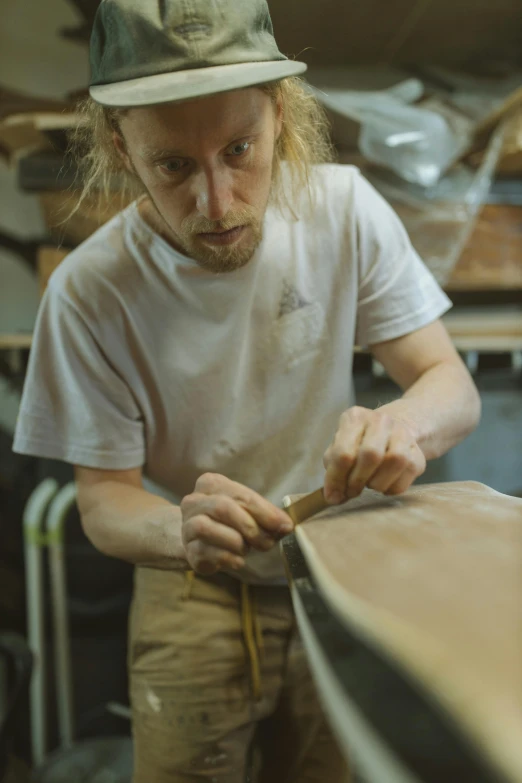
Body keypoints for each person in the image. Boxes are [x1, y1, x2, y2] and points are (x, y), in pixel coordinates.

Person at [13, 0, 481, 780]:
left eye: (241, 149)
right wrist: (178, 529)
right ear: (121, 149)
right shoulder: (89, 293)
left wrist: (403, 425)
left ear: (282, 120)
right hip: (189, 579)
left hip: (336, 566)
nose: (219, 202)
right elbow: (102, 499)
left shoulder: (344, 212)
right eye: (173, 166)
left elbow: (451, 386)